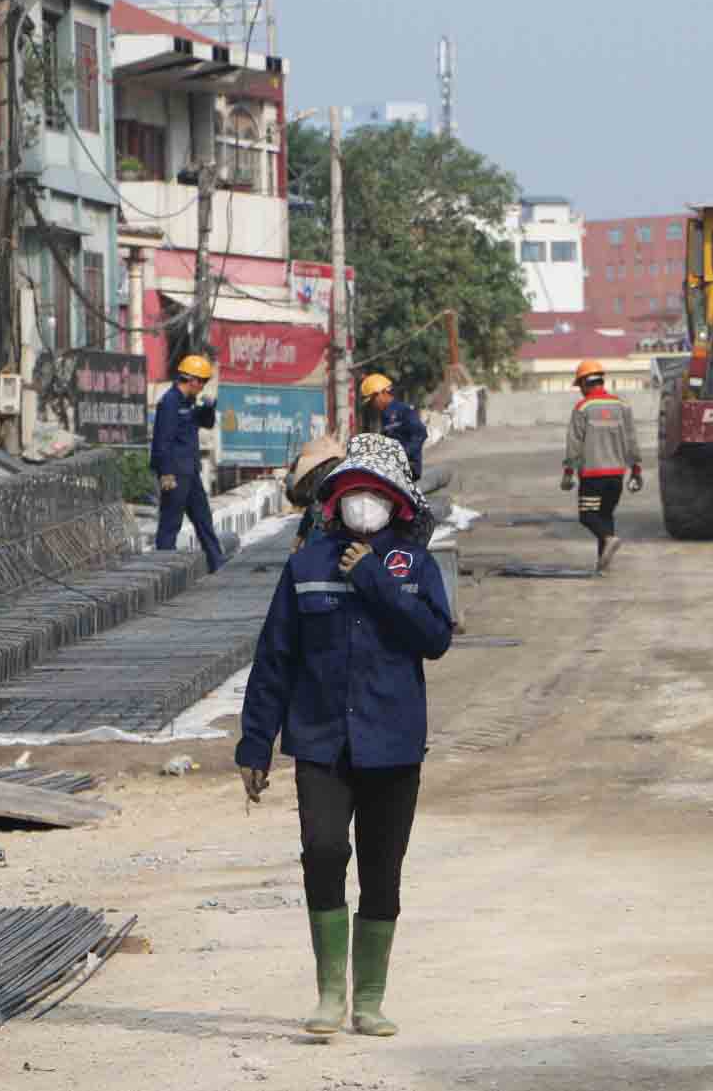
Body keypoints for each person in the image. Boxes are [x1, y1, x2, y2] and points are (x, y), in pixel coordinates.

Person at [237, 433, 452, 1038]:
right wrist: (255, 746)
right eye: (352, 491)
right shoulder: (306, 565)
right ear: (334, 501)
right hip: (322, 741)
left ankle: (370, 1001)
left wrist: (377, 582)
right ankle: (330, 994)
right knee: (325, 852)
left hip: (393, 744)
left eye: (374, 493)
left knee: (383, 871)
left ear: (395, 503)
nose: (363, 503)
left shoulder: (416, 566)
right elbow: (275, 657)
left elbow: (435, 639)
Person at [561, 359, 642, 573]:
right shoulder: (622, 406)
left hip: (592, 475)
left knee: (587, 516)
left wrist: (568, 472)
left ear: (585, 384)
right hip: (617, 475)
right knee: (605, 516)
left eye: (579, 386)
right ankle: (603, 565)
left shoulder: (582, 407)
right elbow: (632, 440)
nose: (580, 391)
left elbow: (574, 443)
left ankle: (608, 539)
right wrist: (636, 471)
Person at [151, 355, 225, 573]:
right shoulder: (170, 402)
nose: (203, 387)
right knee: (170, 524)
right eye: (201, 381)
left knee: (204, 520)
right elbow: (161, 440)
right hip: (174, 474)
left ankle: (217, 564)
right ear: (191, 380)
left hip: (191, 472)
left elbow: (207, 423)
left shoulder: (190, 402)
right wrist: (165, 473)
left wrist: (209, 408)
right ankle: (163, 570)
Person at [359, 373, 428, 484]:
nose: (373, 405)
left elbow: (421, 434)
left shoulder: (403, 411)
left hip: (408, 468)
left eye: (373, 400)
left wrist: (403, 454)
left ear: (383, 393)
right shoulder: (384, 416)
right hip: (392, 466)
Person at [287, 435, 346, 553]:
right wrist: (300, 536)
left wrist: (299, 538)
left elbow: (312, 509)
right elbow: (310, 511)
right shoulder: (328, 470)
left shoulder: (323, 477)